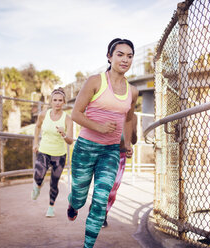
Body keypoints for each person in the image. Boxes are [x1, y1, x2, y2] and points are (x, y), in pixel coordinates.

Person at [67, 38, 138, 248]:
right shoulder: (95, 81)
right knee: (80, 197)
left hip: (110, 152)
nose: (125, 59)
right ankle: (74, 202)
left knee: (100, 200)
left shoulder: (132, 91)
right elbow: (75, 114)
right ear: (109, 56)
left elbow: (127, 118)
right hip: (85, 148)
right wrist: (99, 127)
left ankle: (88, 245)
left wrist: (126, 144)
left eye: (129, 56)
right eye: (120, 54)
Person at [31, 87, 73, 217]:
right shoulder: (43, 114)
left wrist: (63, 133)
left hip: (59, 155)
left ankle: (51, 207)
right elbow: (37, 127)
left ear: (64, 102)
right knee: (38, 175)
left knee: (54, 183)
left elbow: (70, 141)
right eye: (55, 100)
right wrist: (35, 143)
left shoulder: (67, 119)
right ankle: (38, 185)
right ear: (51, 101)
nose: (57, 103)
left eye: (60, 100)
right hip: (44, 151)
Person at [103, 113, 137, 228]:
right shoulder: (111, 112)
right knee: (104, 185)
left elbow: (134, 140)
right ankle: (98, 212)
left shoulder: (134, 117)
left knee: (113, 189)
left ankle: (104, 213)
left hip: (121, 155)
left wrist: (131, 135)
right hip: (105, 153)